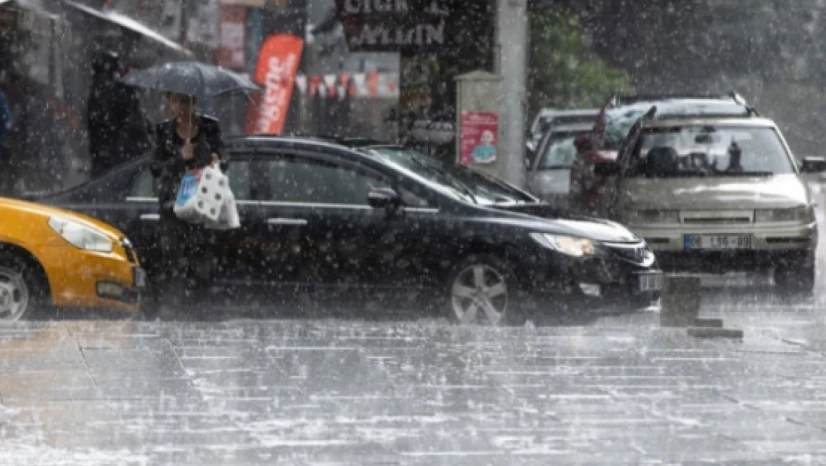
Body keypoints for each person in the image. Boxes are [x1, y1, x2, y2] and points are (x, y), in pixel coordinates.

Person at [150, 92, 228, 315]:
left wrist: (213, 159)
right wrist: (179, 159)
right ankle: (173, 311)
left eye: (187, 101)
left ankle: (200, 311)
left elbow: (224, 159)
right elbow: (155, 168)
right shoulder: (163, 131)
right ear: (170, 105)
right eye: (176, 101)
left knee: (202, 263)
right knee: (172, 262)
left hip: (202, 204)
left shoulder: (210, 128)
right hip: (173, 207)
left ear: (195, 103)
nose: (182, 107)